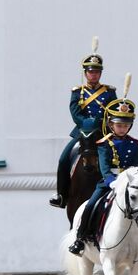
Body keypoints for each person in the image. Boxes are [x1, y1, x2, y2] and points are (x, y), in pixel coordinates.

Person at [69, 85, 138, 255]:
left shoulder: (135, 145)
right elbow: (105, 168)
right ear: (111, 125)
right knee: (91, 205)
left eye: (126, 125)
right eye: (119, 125)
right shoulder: (104, 144)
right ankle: (81, 239)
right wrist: (112, 181)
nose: (122, 128)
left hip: (130, 184)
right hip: (109, 182)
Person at [51, 38, 116, 208]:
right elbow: (75, 112)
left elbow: (113, 113)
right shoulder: (77, 92)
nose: (93, 75)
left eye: (96, 72)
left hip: (102, 133)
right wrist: (86, 124)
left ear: (100, 73)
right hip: (83, 133)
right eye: (90, 72)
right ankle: (61, 195)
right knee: (64, 159)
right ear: (85, 73)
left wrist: (101, 124)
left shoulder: (109, 92)